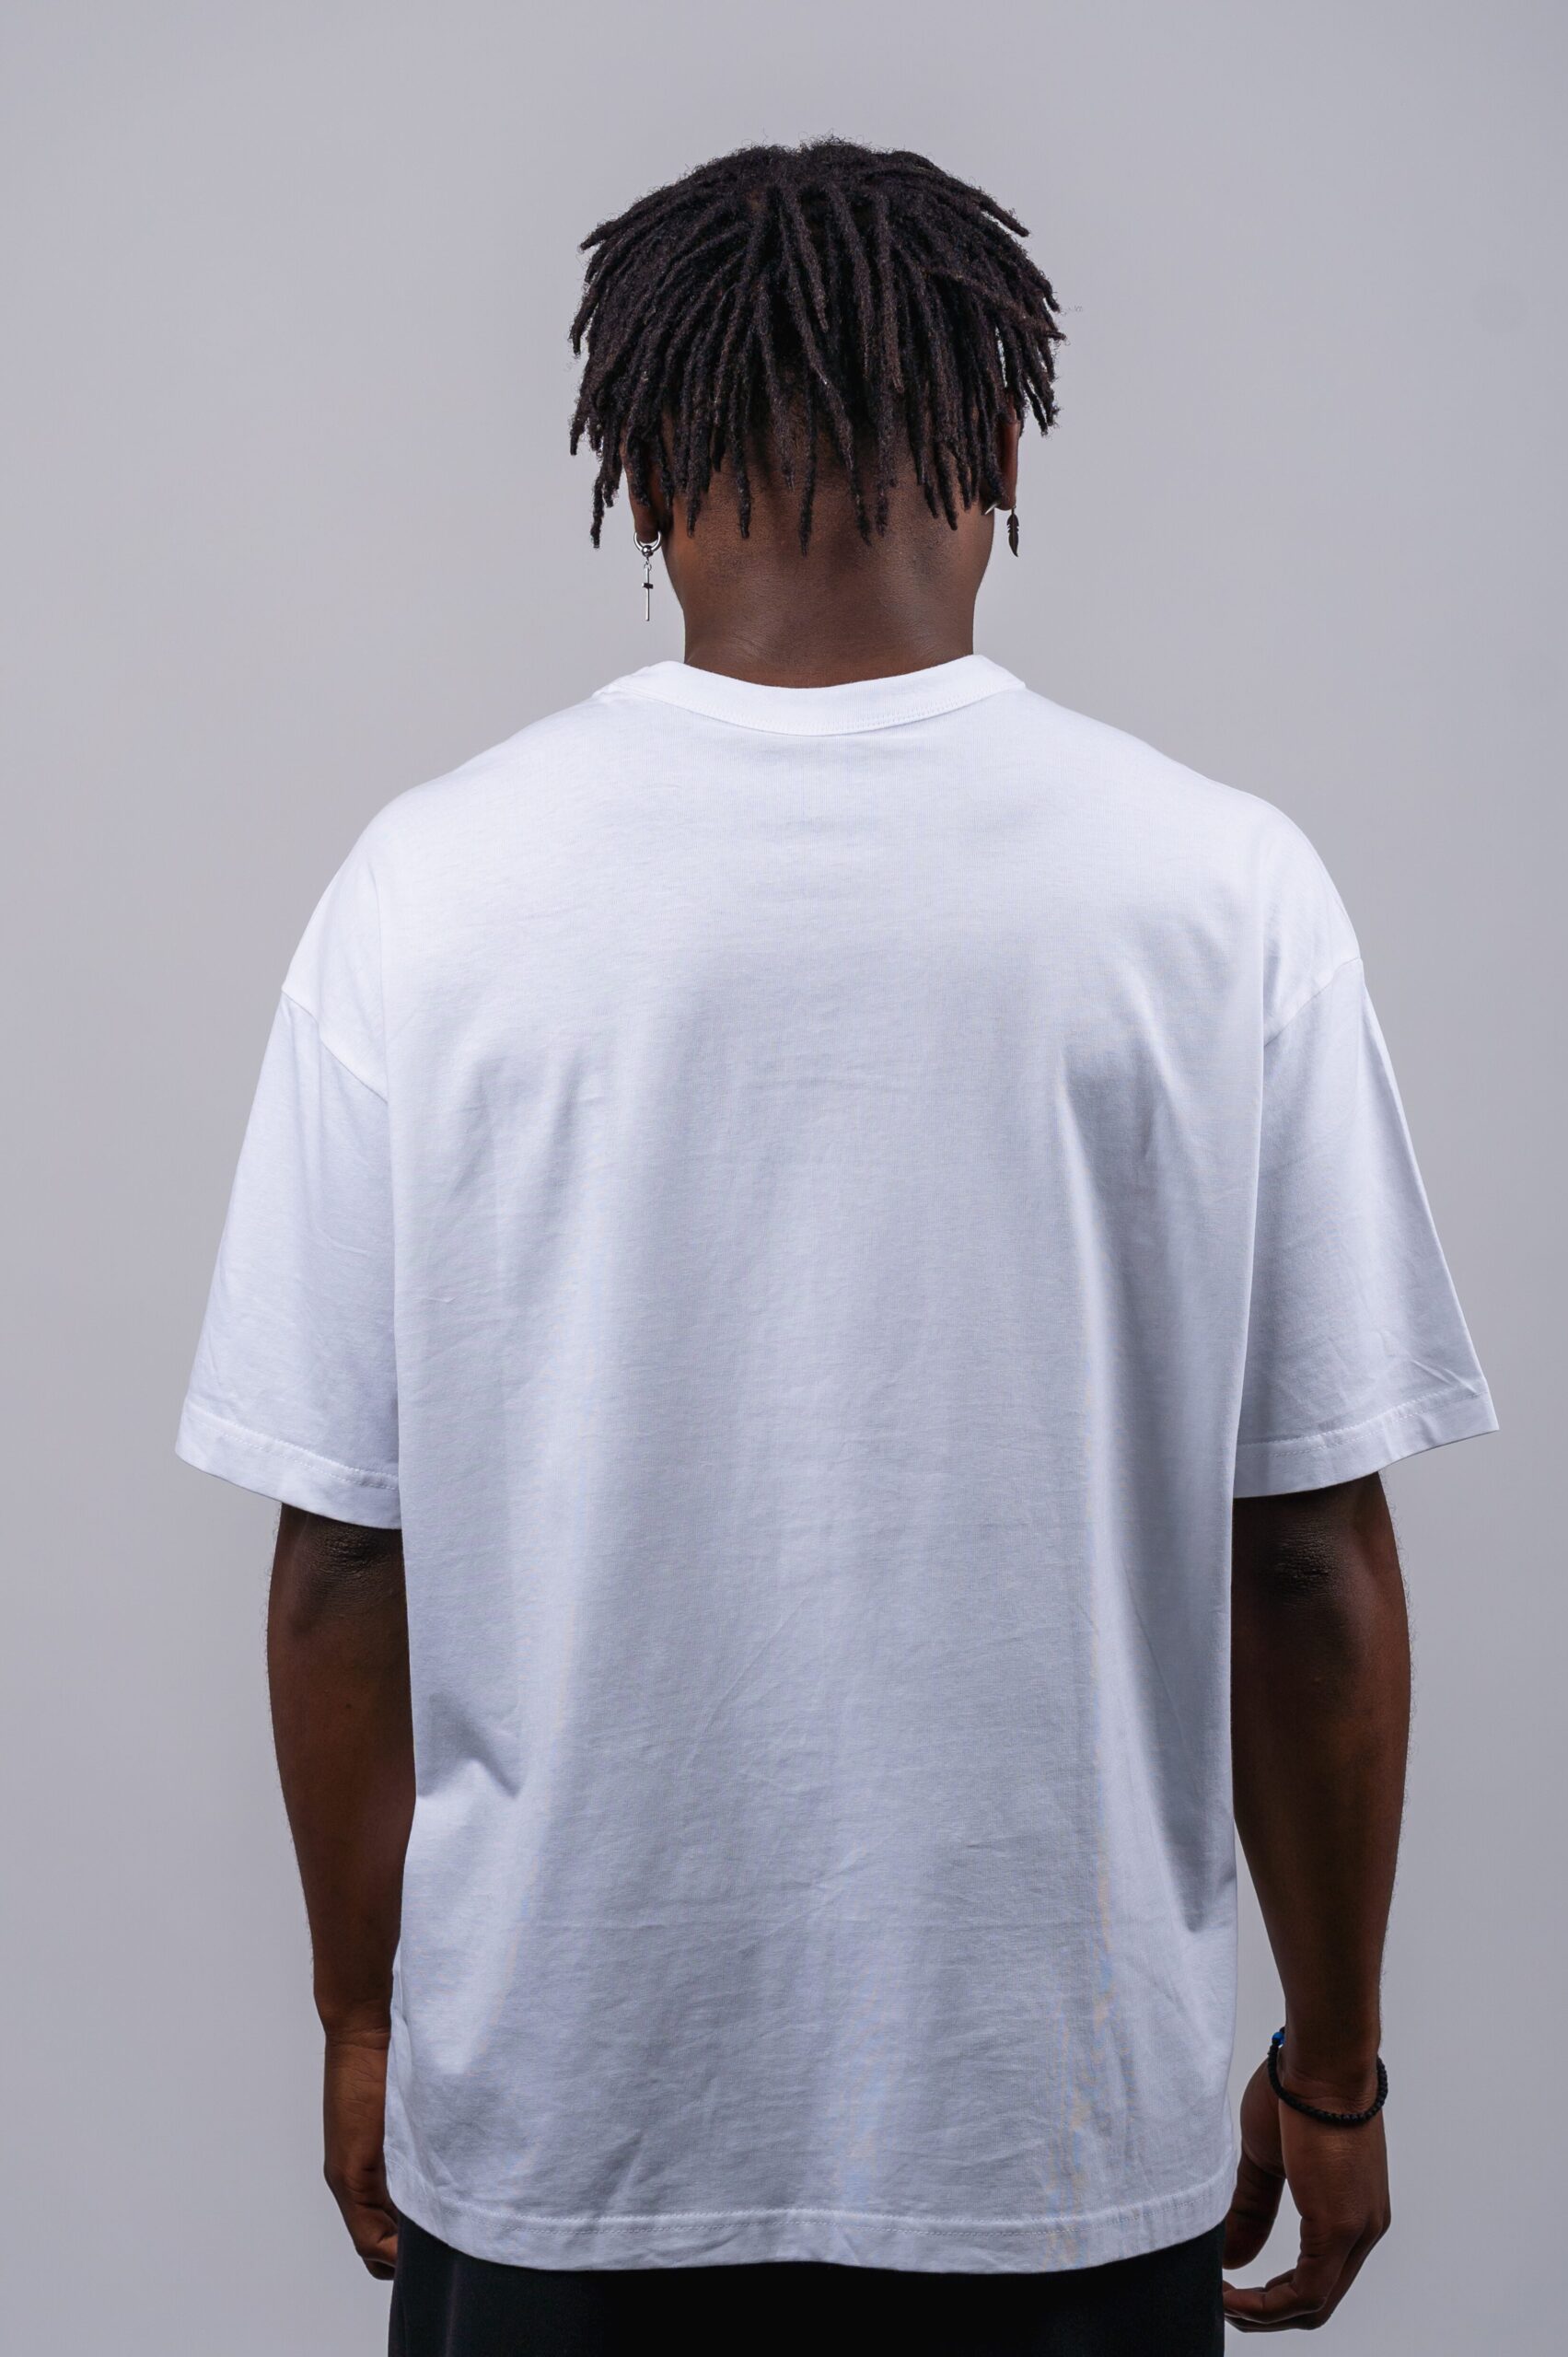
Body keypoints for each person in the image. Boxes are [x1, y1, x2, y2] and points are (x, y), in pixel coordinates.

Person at [177, 140, 1497, 2353]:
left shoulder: (430, 890)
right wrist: (1334, 2063)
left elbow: (340, 1559)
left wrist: (360, 2016)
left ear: (638, 464)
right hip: (1052, 2143)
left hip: (568, 2133)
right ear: (1001, 445)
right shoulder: (1215, 890)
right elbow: (1300, 1552)